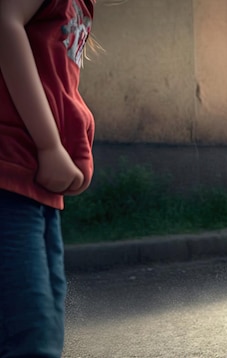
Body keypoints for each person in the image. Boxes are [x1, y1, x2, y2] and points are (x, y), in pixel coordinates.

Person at [0, 0, 96, 356]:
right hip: (11, 178)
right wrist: (49, 145)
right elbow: (4, 23)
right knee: (31, 338)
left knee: (44, 334)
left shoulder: (81, 6)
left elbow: (54, 80)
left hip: (38, 190)